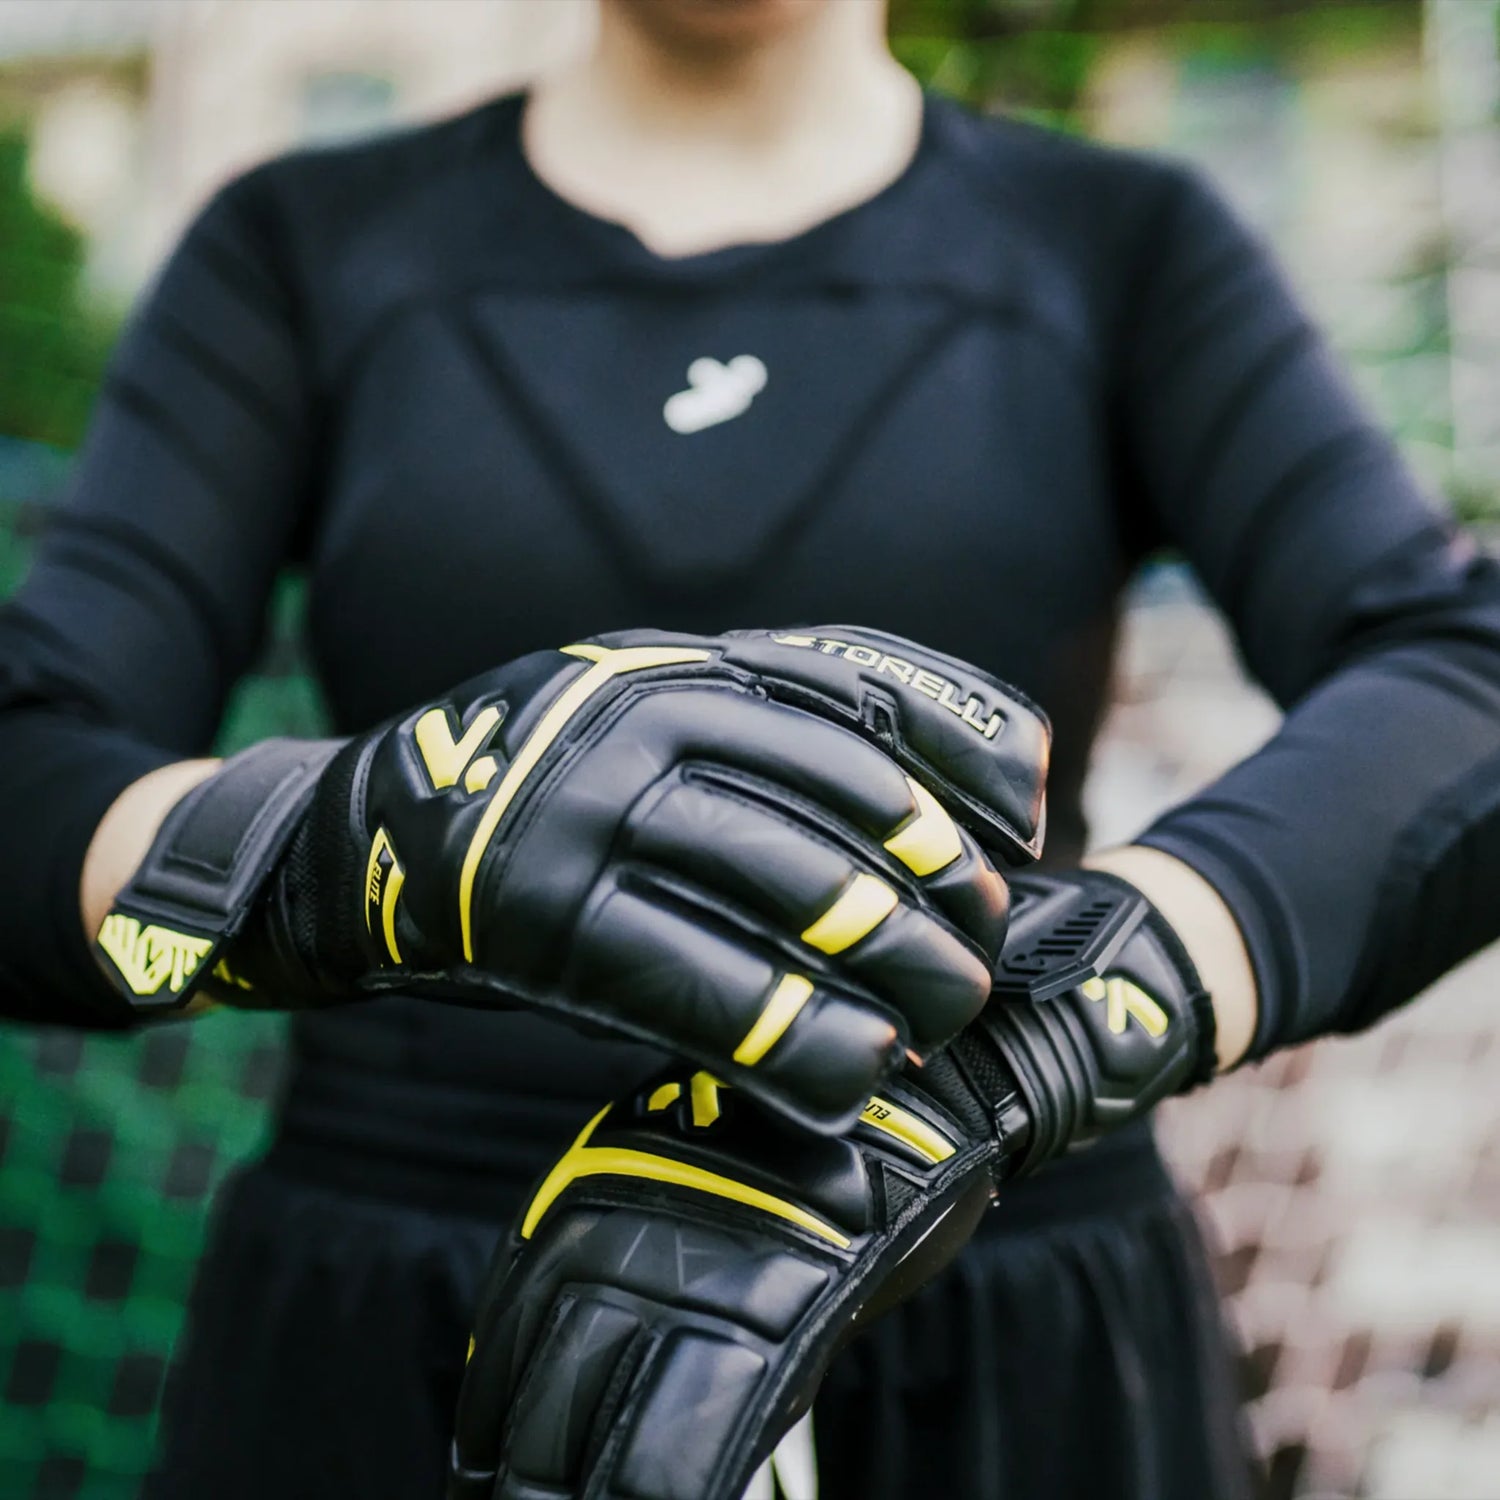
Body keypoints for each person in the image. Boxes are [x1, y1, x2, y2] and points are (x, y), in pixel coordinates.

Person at [1, 0, 1497, 1496]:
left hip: (998, 1317)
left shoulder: (1119, 240)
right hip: (409, 1335)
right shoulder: (306, 243)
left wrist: (1074, 1015)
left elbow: (1464, 674)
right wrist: (341, 847)